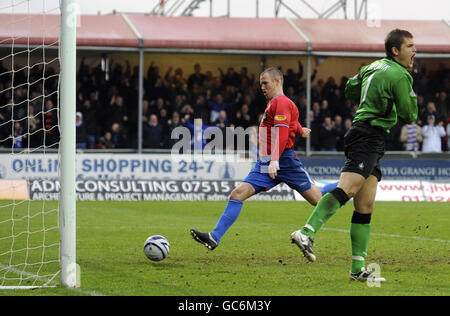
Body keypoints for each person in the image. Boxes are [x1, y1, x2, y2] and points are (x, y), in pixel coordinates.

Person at [291, 29, 418, 283]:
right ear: (395, 50)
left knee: (365, 206)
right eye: (410, 46)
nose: (414, 51)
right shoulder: (400, 75)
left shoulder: (371, 67)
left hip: (366, 135)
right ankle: (306, 232)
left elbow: (350, 89)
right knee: (347, 189)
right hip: (369, 135)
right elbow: (410, 114)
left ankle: (357, 269)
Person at [190, 67, 337, 251]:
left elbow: (282, 133)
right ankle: (214, 237)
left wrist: (275, 159)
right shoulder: (277, 103)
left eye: (265, 83)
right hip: (266, 162)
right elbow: (291, 123)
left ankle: (346, 184)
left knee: (318, 199)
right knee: (238, 194)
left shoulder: (281, 103)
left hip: (284, 160)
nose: (262, 87)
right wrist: (300, 130)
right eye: (261, 84)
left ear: (277, 81)